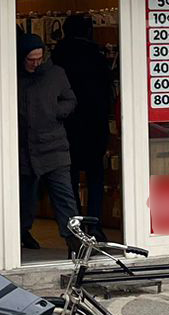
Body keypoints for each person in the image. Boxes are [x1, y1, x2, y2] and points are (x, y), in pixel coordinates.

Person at [17, 30, 79, 253]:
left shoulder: (55, 74)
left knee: (64, 197)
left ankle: (74, 240)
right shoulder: (14, 78)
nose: (35, 63)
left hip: (54, 147)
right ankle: (22, 232)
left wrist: (55, 112)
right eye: (30, 59)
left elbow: (70, 100)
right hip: (24, 148)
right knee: (26, 199)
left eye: (38, 58)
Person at [51, 13, 115, 228]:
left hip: (68, 125)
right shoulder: (96, 55)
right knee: (96, 175)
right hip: (95, 125)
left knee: (70, 178)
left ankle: (75, 224)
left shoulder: (58, 55)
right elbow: (107, 92)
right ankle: (95, 225)